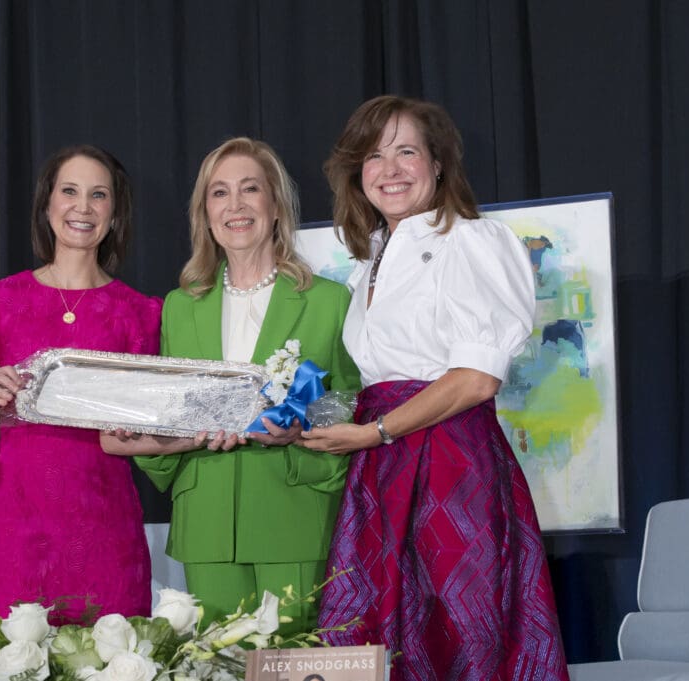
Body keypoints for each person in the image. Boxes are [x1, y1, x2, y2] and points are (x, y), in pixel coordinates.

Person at [301, 96, 570, 681]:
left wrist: (374, 431)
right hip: (382, 465)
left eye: (406, 152)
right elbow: (381, 378)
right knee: (380, 638)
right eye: (374, 155)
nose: (389, 169)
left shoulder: (472, 239)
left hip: (451, 462)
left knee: (459, 632)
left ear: (439, 164)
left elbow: (475, 378)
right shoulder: (368, 259)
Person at [101, 137, 359, 631]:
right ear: (205, 213)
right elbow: (169, 418)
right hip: (207, 520)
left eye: (250, 189)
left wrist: (298, 432)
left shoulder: (329, 301)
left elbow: (351, 406)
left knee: (296, 663)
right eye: (219, 193)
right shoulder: (180, 306)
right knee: (215, 665)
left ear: (276, 205)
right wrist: (142, 439)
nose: (235, 205)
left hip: (294, 512)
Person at [0, 145, 161, 640]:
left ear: (114, 215)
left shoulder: (140, 314)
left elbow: (145, 427)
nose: (83, 206)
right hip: (17, 524)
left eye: (99, 195)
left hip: (105, 525)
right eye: (69, 191)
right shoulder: (2, 301)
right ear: (47, 204)